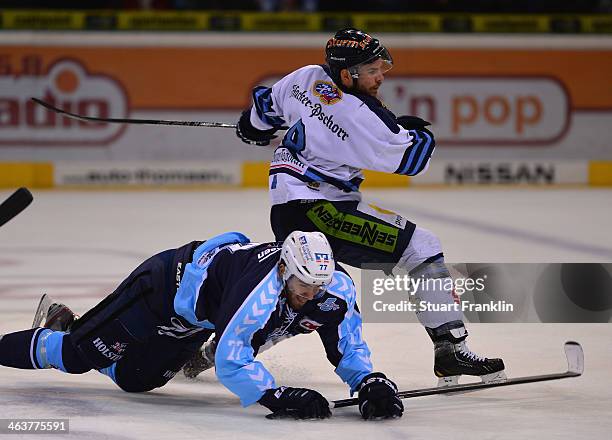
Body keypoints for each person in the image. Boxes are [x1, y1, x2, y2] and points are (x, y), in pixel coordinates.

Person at [232, 27, 506, 386]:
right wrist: (418, 133)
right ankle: (451, 349)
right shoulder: (359, 117)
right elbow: (413, 160)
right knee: (420, 247)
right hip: (321, 209)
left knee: (313, 292)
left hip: (289, 206)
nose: (380, 77)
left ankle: (220, 351)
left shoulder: (306, 77)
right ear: (347, 74)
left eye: (381, 68)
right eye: (372, 70)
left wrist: (251, 128)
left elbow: (264, 109)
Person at [0, 230, 403, 420]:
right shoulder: (258, 291)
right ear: (284, 268)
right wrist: (274, 396)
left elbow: (346, 342)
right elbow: (232, 359)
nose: (311, 295)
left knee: (138, 380)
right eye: (302, 285)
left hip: (198, 316)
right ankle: (65, 335)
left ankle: (74, 326)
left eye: (318, 286)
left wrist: (367, 379)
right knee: (76, 356)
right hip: (161, 289)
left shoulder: (335, 290)